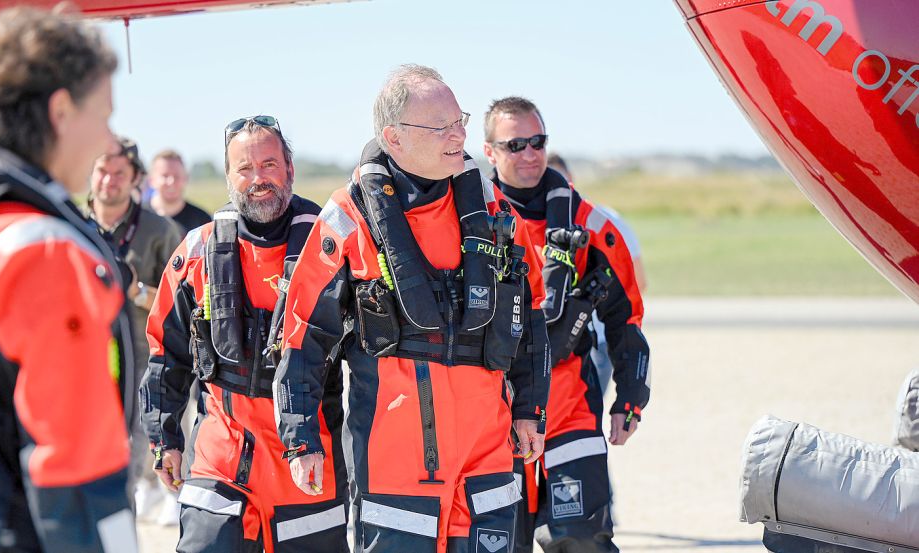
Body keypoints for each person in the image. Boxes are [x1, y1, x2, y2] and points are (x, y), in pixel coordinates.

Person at [274, 65, 552, 553]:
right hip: (395, 461)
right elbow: (303, 336)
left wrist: (530, 409)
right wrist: (302, 439)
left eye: (460, 122)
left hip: (486, 453)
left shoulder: (494, 214)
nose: (459, 135)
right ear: (393, 138)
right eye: (440, 126)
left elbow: (528, 316)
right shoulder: (349, 218)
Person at [0, 7, 137, 551]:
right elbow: (77, 473)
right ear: (61, 110)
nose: (108, 141)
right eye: (104, 115)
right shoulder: (43, 251)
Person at [139, 115, 348, 552]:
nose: (259, 179)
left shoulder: (331, 245)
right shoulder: (198, 251)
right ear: (229, 175)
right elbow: (166, 351)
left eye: (269, 165)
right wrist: (164, 439)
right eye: (245, 169)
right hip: (221, 455)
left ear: (290, 168)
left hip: (310, 456)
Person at [483, 97, 650, 553]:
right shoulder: (469, 222)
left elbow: (626, 317)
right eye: (515, 144)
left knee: (582, 543)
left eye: (537, 141)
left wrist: (631, 397)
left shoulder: (590, 223)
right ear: (489, 152)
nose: (530, 153)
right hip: (493, 413)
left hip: (569, 405)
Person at [86, 137, 183, 523]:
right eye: (102, 171)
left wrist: (134, 290)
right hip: (84, 358)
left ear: (136, 180)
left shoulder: (160, 231)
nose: (109, 181)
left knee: (133, 447)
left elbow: (179, 303)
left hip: (142, 361)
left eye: (119, 174)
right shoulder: (69, 222)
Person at [546, 153, 646, 398]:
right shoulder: (534, 222)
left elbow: (637, 281)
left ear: (572, 178)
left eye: (560, 179)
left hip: (598, 339)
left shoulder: (604, 221)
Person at [147, 149, 212, 233]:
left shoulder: (202, 221)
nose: (171, 182)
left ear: (186, 178)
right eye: (165, 175)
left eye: (177, 176)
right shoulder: (137, 217)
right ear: (151, 180)